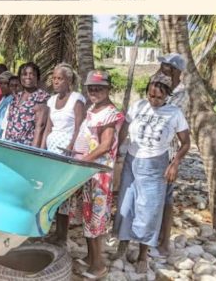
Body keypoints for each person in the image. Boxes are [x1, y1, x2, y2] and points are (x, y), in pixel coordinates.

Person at [114, 73, 190, 274]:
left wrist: (174, 164)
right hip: (132, 161)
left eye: (158, 97)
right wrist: (117, 149)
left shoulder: (174, 113)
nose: (154, 100)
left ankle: (142, 254)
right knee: (126, 204)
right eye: (150, 95)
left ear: (167, 95)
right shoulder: (138, 106)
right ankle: (122, 246)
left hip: (156, 165)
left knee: (149, 210)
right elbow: (125, 128)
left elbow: (186, 143)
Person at [66, 70, 124, 278]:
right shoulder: (93, 108)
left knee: (95, 219)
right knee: (87, 216)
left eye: (99, 88)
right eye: (91, 87)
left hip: (98, 174)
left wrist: (84, 159)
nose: (94, 91)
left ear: (108, 89)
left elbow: (106, 145)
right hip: (87, 171)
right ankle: (91, 257)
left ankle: (99, 265)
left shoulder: (109, 112)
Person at [43, 63, 87, 243]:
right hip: (52, 150)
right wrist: (43, 148)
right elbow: (48, 127)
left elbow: (79, 127)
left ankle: (62, 235)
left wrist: (71, 147)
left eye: (59, 78)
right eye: (54, 78)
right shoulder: (51, 100)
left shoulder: (76, 99)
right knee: (52, 193)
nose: (55, 82)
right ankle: (52, 231)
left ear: (68, 81)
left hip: (66, 152)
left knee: (64, 194)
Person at [156, 53, 187, 256]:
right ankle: (152, 238)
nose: (161, 68)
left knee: (166, 200)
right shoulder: (163, 88)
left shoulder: (181, 94)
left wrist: (175, 162)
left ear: (174, 70)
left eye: (165, 66)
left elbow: (169, 119)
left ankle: (164, 242)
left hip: (168, 153)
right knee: (155, 197)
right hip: (155, 151)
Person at [3, 62, 49, 148]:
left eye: (32, 74)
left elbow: (41, 127)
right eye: (24, 74)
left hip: (26, 148)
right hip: (9, 145)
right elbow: (9, 123)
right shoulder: (16, 97)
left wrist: (34, 152)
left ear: (37, 78)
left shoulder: (41, 97)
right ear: (20, 77)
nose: (28, 77)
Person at [0, 72, 16, 138]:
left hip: (7, 135)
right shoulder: (3, 99)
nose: (2, 86)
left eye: (5, 83)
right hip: (0, 134)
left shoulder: (13, 100)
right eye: (1, 83)